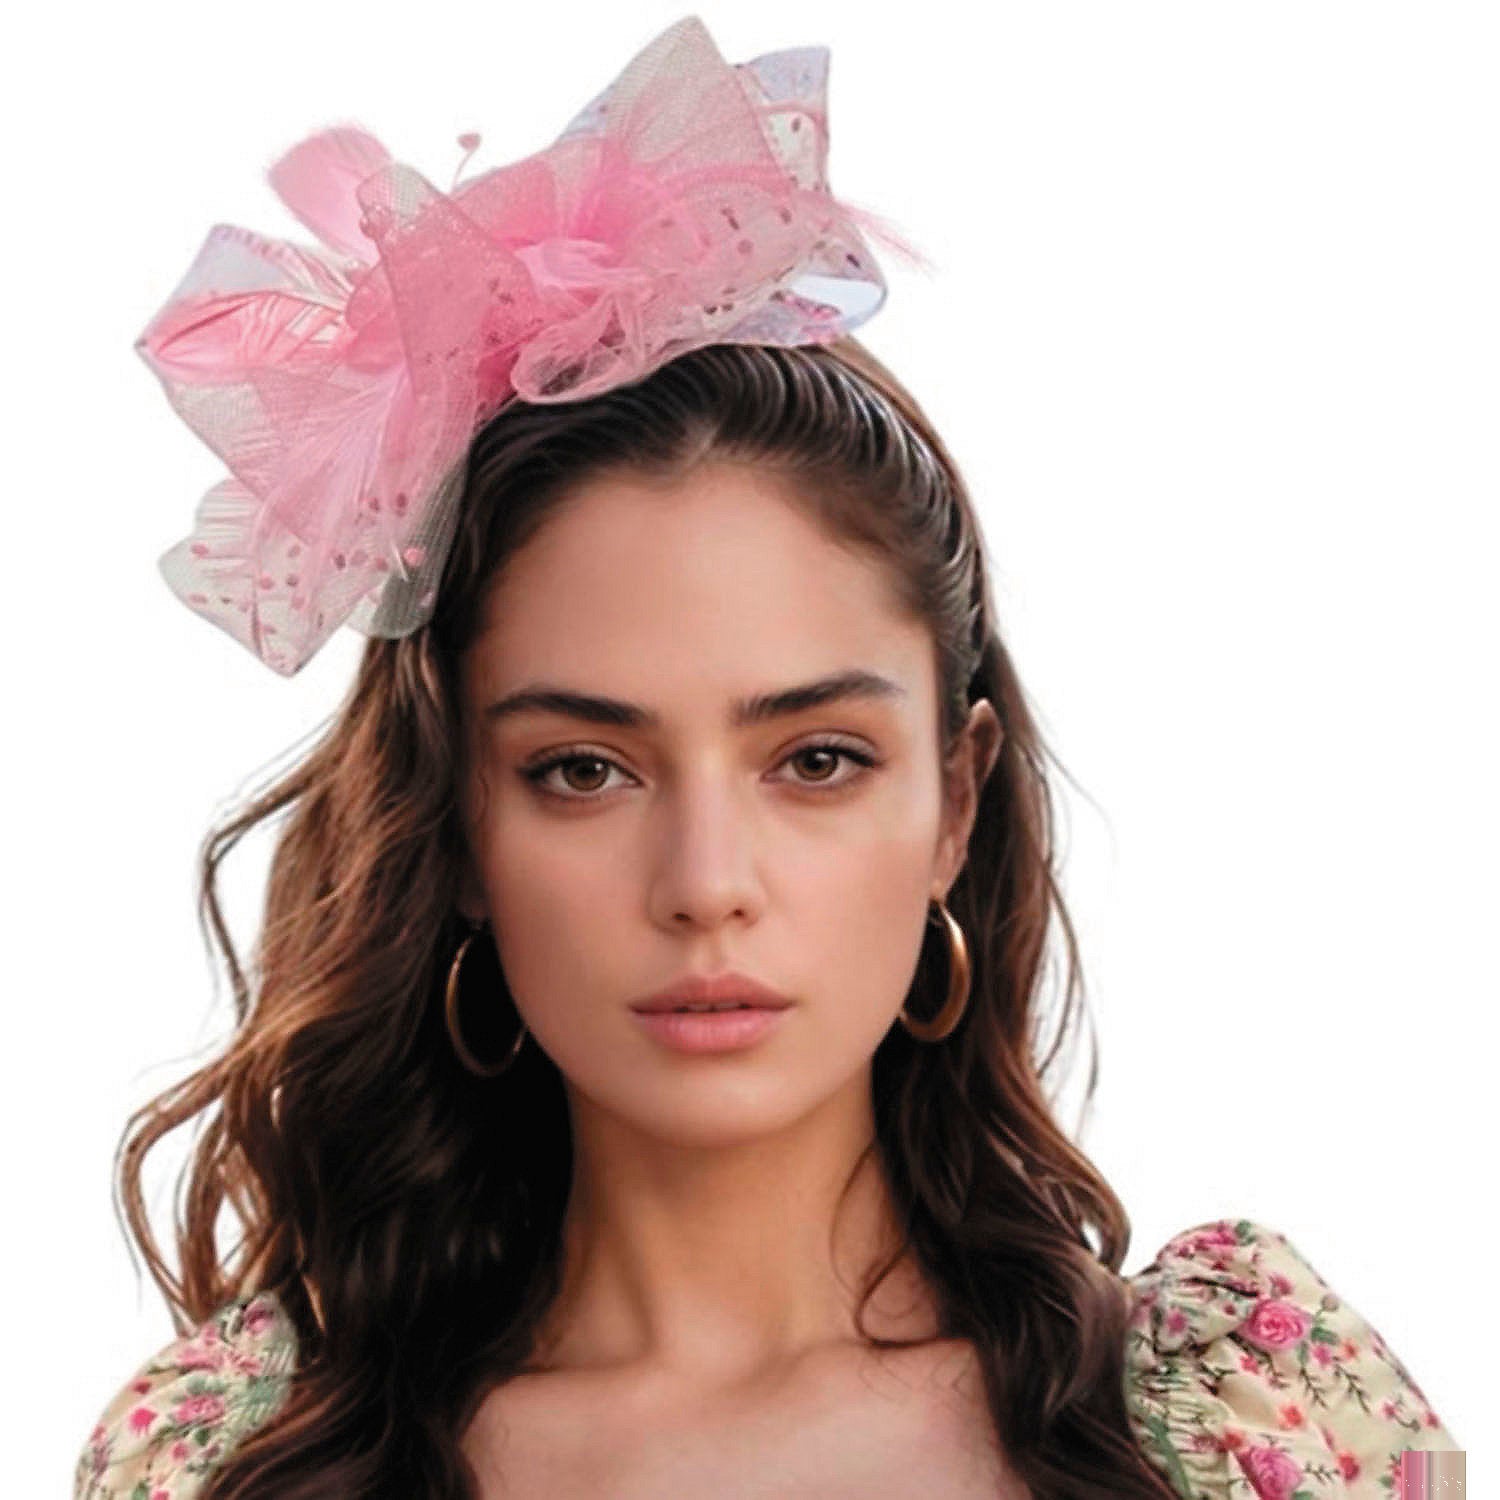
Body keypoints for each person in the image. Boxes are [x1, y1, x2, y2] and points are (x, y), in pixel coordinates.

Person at [73, 15, 1458, 1500]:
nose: (707, 883)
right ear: (460, 828)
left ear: (956, 802)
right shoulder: (236, 1457)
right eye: (583, 769)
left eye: (816, 760)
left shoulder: (1250, 1417)